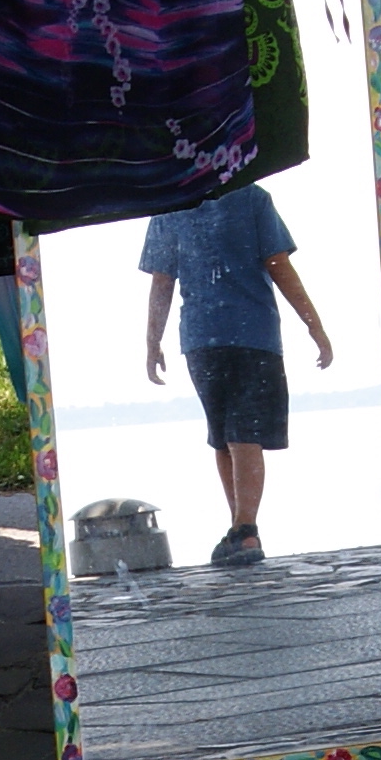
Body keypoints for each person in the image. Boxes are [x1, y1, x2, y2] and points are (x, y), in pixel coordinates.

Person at [141, 186, 335, 568]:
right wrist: (315, 326)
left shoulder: (168, 200)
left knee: (225, 435)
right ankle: (245, 529)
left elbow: (162, 281)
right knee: (242, 432)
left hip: (201, 338)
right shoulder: (252, 198)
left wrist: (153, 342)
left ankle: (240, 529)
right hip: (253, 334)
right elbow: (279, 264)